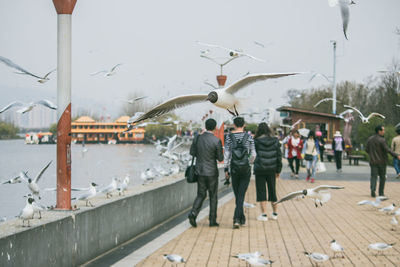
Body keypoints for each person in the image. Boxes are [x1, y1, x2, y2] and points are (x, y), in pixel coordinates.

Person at [188, 118, 223, 227]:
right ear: (214, 127)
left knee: (201, 194)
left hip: (200, 171)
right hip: (212, 172)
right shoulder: (216, 140)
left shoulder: (198, 139)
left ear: (206, 126)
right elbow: (220, 158)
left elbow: (192, 152)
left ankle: (193, 213)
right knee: (213, 196)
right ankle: (212, 221)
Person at [224, 117, 256, 229]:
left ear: (234, 124)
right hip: (245, 168)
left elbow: (227, 155)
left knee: (238, 194)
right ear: (244, 124)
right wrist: (248, 162)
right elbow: (253, 154)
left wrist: (226, 169)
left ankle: (238, 218)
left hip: (234, 168)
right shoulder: (249, 137)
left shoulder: (229, 137)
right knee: (241, 194)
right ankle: (239, 218)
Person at [253, 123, 282, 221]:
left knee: (261, 191)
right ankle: (275, 213)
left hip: (260, 169)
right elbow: (279, 156)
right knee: (272, 190)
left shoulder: (256, 141)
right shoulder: (275, 140)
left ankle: (264, 214)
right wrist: (278, 170)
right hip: (272, 169)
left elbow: (253, 156)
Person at [366, 125, 400, 197]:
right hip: (382, 161)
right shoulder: (382, 140)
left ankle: (373, 190)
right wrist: (396, 155)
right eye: (383, 130)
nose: (384, 131)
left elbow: (367, 150)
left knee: (373, 176)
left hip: (373, 161)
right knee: (382, 177)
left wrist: (372, 154)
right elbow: (387, 149)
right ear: (379, 131)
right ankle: (381, 193)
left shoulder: (370, 139)